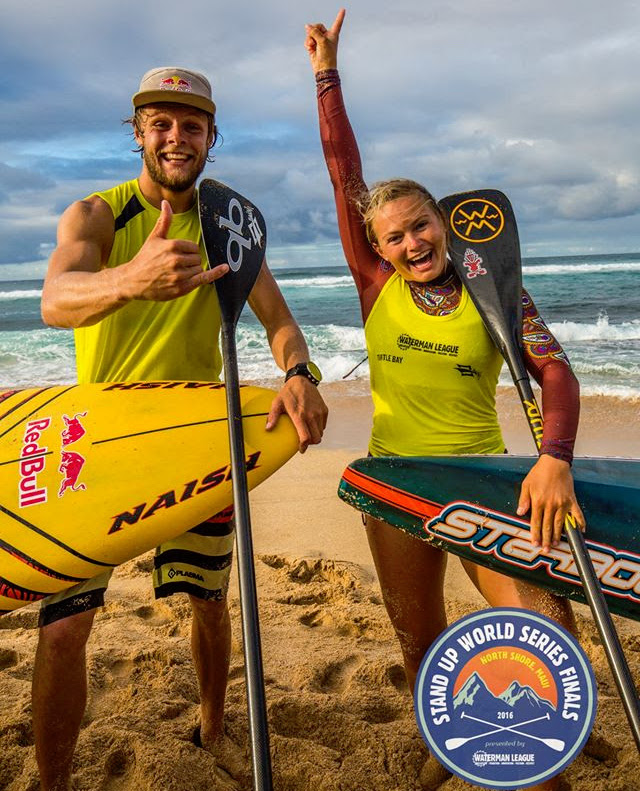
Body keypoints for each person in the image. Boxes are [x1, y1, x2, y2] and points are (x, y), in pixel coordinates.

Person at [305, 11, 584, 790]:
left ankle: (551, 743)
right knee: (416, 633)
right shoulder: (375, 287)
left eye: (420, 225)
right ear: (378, 248)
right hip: (398, 475)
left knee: (541, 622)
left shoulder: (493, 289)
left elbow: (554, 373)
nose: (411, 244)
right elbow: (342, 175)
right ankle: (449, 741)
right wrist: (328, 76)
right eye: (392, 237)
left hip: (487, 475)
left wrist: (553, 459)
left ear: (445, 221)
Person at [38, 66, 328, 791]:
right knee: (65, 622)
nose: (175, 137)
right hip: (97, 440)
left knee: (208, 597)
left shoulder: (229, 224)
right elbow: (55, 300)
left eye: (191, 126)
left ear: (210, 137)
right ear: (137, 131)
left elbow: (281, 322)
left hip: (199, 433)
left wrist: (299, 373)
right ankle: (50, 779)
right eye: (160, 123)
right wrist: (127, 279)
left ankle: (211, 722)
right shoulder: (96, 216)